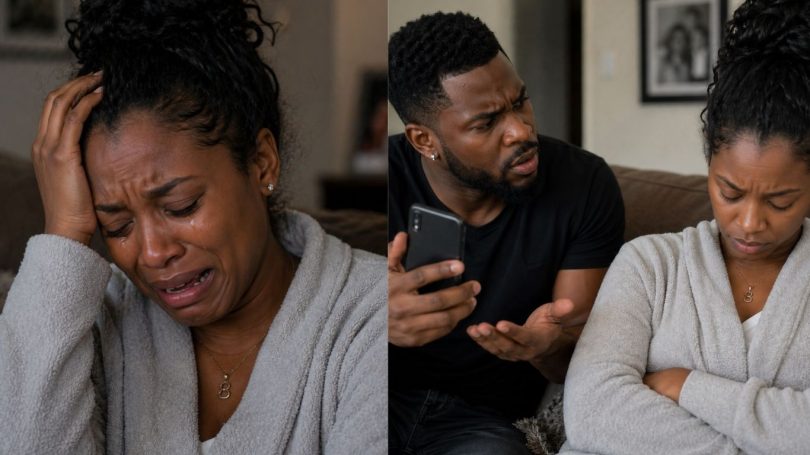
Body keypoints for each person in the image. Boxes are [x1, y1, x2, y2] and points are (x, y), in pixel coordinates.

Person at [0, 0, 386, 453]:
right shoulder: (92, 329)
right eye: (117, 226)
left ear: (262, 162)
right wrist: (63, 232)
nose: (152, 252)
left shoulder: (380, 319)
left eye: (181, 206)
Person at [562, 1, 810, 453]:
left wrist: (688, 386)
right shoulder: (649, 266)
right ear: (709, 162)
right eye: (730, 192)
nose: (749, 223)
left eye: (780, 201)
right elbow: (591, 411)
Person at [387, 11, 625, 455]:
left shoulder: (583, 184)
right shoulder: (385, 181)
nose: (521, 131)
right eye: (486, 122)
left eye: (520, 101)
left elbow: (580, 364)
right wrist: (373, 320)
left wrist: (545, 347)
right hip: (377, 402)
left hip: (482, 424)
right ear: (424, 140)